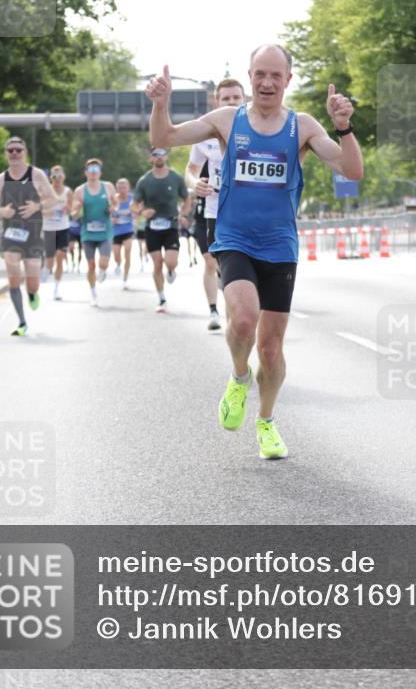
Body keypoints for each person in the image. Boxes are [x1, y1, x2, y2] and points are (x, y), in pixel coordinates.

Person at [146, 45, 363, 459]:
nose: (266, 83)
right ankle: (238, 377)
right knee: (243, 319)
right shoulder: (229, 120)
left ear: (288, 80)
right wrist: (161, 104)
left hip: (279, 245)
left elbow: (351, 170)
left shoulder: (302, 126)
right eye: (259, 74)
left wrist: (344, 128)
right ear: (249, 76)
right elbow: (165, 137)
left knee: (272, 348)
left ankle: (266, 421)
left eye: (275, 76)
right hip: (234, 238)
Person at [185, 77, 246, 331]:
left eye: (236, 98)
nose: (231, 103)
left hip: (250, 213)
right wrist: (193, 183)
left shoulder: (261, 129)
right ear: (216, 102)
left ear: (244, 100)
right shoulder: (206, 133)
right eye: (226, 99)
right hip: (215, 212)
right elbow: (191, 169)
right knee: (215, 265)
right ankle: (216, 312)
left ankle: (240, 314)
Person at [0, 136, 56, 336]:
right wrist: (2, 212)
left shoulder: (35, 175)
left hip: (33, 235)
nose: (15, 154)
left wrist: (37, 206)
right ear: (6, 154)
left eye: (18, 150)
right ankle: (22, 322)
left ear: (25, 152)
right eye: (11, 150)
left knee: (32, 281)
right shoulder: (1, 179)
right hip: (10, 235)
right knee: (13, 277)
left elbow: (53, 200)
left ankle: (33, 293)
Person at [132, 148, 192, 312]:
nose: (159, 157)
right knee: (157, 263)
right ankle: (162, 299)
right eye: (155, 154)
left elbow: (187, 199)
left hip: (171, 226)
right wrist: (142, 212)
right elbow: (134, 205)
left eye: (162, 154)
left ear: (167, 156)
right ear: (151, 157)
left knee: (170, 262)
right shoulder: (144, 180)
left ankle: (171, 270)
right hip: (152, 228)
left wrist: (183, 214)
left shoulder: (175, 178)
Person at [71, 158, 118, 307]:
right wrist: (77, 208)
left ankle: (103, 270)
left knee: (103, 262)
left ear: (100, 173)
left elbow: (115, 203)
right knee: (90, 265)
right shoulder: (79, 190)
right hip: (87, 232)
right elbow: (73, 214)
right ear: (86, 172)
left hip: (105, 231)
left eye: (95, 170)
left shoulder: (108, 187)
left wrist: (113, 208)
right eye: (90, 170)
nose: (93, 173)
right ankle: (93, 294)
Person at [42, 165, 72, 300]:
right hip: (48, 229)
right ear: (50, 178)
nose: (57, 179)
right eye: (54, 176)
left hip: (63, 228)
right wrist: (48, 212)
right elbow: (38, 209)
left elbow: (71, 208)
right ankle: (47, 269)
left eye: (60, 176)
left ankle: (56, 288)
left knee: (60, 256)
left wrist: (68, 209)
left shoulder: (68, 192)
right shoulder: (45, 192)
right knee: (50, 260)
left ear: (64, 177)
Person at [111, 177, 135, 289]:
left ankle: (125, 279)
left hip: (128, 229)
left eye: (124, 187)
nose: (122, 189)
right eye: (120, 187)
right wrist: (112, 219)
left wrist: (135, 214)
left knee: (127, 251)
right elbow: (108, 213)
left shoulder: (132, 199)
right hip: (116, 231)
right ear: (117, 188)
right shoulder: (114, 199)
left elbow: (137, 212)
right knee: (116, 254)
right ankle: (118, 263)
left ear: (128, 187)